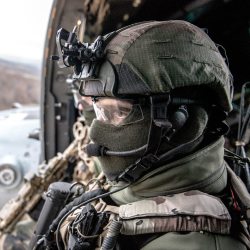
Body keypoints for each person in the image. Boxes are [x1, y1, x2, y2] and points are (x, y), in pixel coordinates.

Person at [52, 20, 250, 249]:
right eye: (98, 109)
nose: (96, 135)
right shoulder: (142, 171)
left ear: (186, 122)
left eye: (118, 111)